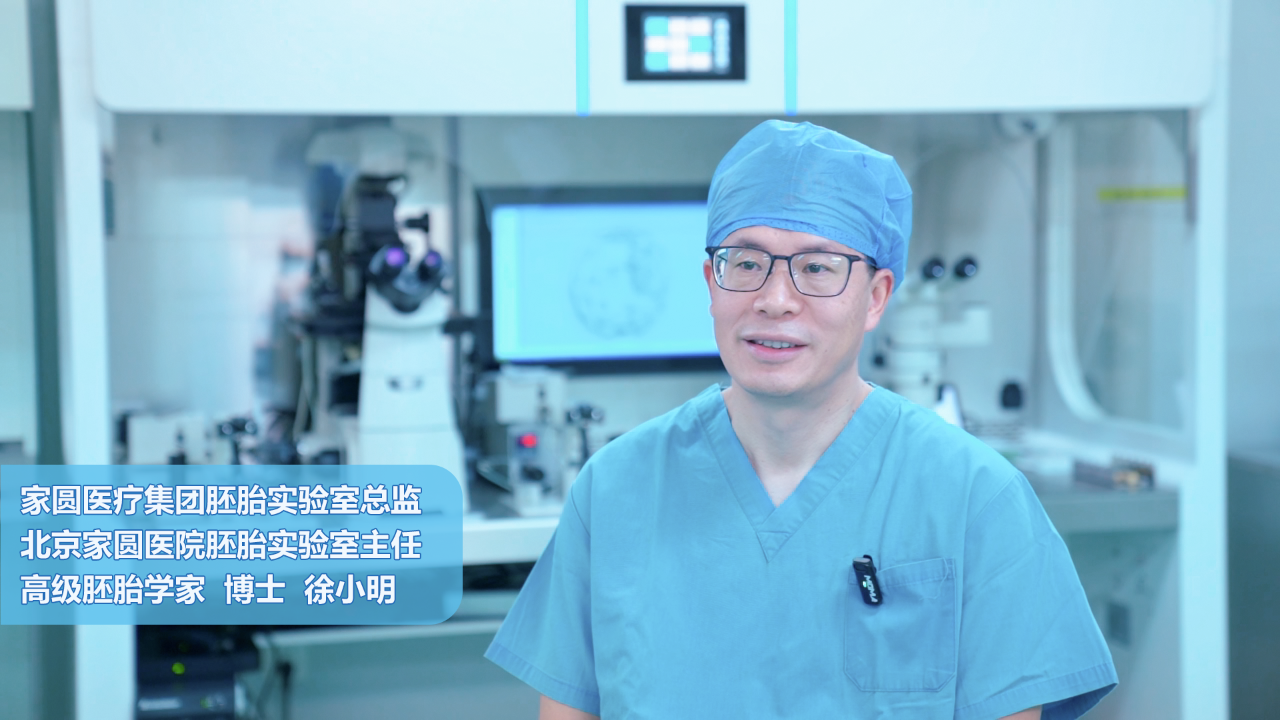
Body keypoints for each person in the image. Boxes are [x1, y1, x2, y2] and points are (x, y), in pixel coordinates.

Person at [485, 120, 1117, 719]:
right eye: (747, 263)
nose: (775, 300)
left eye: (817, 267)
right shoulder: (617, 489)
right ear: (711, 282)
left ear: (876, 297)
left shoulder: (975, 498)